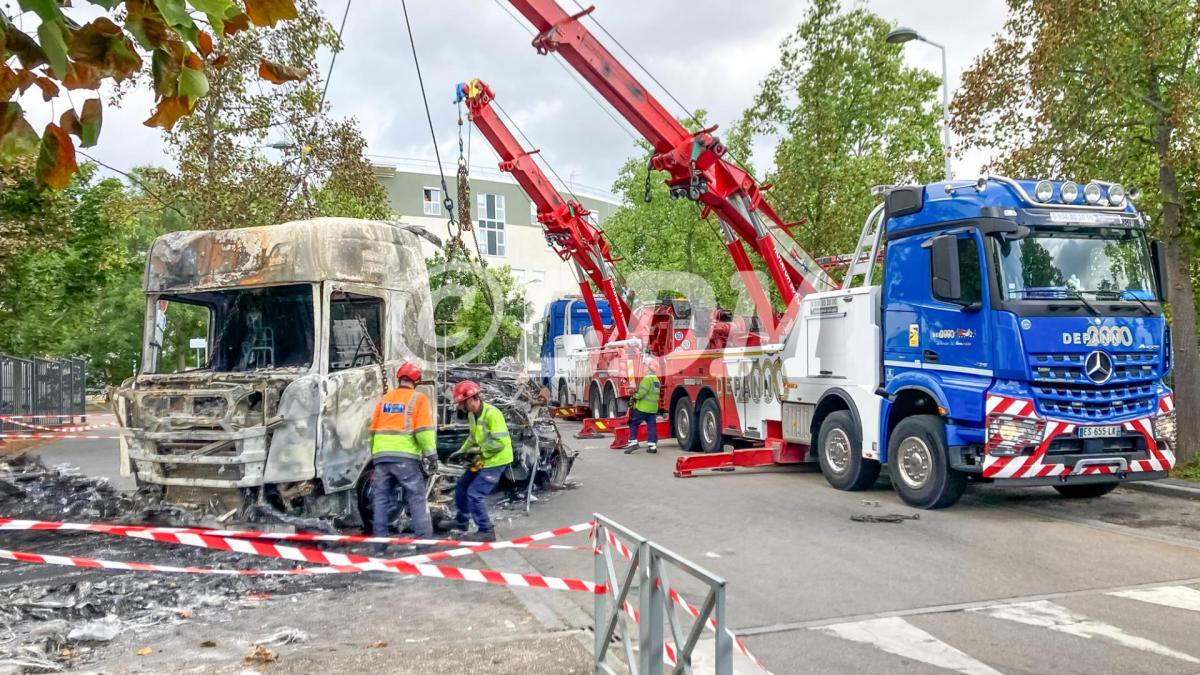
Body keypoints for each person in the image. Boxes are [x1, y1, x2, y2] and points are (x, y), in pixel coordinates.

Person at [368, 361, 438, 555]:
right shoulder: (419, 399)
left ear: (399, 379)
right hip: (405, 458)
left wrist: (375, 457)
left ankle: (379, 547)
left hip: (381, 457)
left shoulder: (385, 399)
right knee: (416, 498)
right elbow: (423, 431)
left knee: (381, 500)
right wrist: (431, 455)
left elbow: (372, 431)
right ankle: (423, 544)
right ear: (416, 381)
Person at [448, 380, 512, 542]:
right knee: (462, 486)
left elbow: (500, 443)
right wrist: (461, 451)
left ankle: (486, 530)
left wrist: (478, 451)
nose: (460, 407)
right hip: (484, 459)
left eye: (462, 403)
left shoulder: (493, 414)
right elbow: (473, 436)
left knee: (475, 494)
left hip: (496, 460)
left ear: (472, 399)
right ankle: (462, 521)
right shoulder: (472, 415)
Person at [622, 357, 661, 454]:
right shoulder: (656, 380)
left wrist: (634, 395)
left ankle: (633, 442)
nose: (644, 368)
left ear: (649, 368)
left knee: (633, 423)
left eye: (645, 366)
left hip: (643, 408)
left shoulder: (647, 379)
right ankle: (652, 446)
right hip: (652, 409)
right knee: (651, 427)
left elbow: (641, 394)